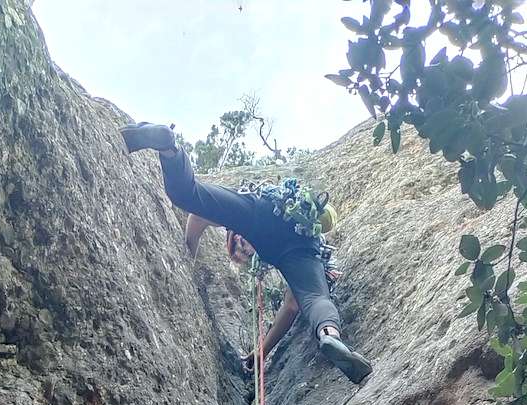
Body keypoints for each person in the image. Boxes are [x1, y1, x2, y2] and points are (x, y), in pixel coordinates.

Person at [122, 122, 373, 385]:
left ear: (232, 234)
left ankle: (169, 149)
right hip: (297, 245)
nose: (244, 252)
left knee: (188, 194)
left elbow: (198, 214)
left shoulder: (253, 208)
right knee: (316, 297)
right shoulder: (308, 253)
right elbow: (295, 304)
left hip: (267, 213)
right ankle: (329, 334)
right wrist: (262, 351)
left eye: (240, 247)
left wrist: (189, 255)